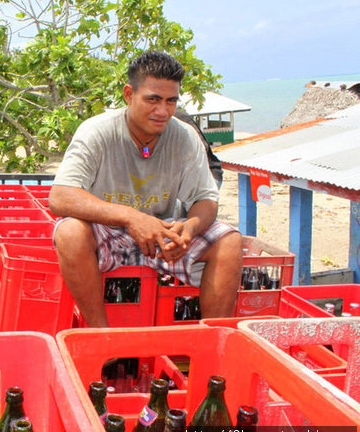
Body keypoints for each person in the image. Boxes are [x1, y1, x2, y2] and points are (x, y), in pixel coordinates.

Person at [49, 51, 242, 327]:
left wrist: (188, 230)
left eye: (171, 101)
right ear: (129, 94)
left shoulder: (185, 136)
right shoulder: (97, 131)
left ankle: (214, 340)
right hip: (109, 235)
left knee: (230, 239)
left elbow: (205, 199)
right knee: (69, 231)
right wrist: (131, 217)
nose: (162, 111)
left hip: (162, 238)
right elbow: (60, 196)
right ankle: (100, 334)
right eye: (152, 99)